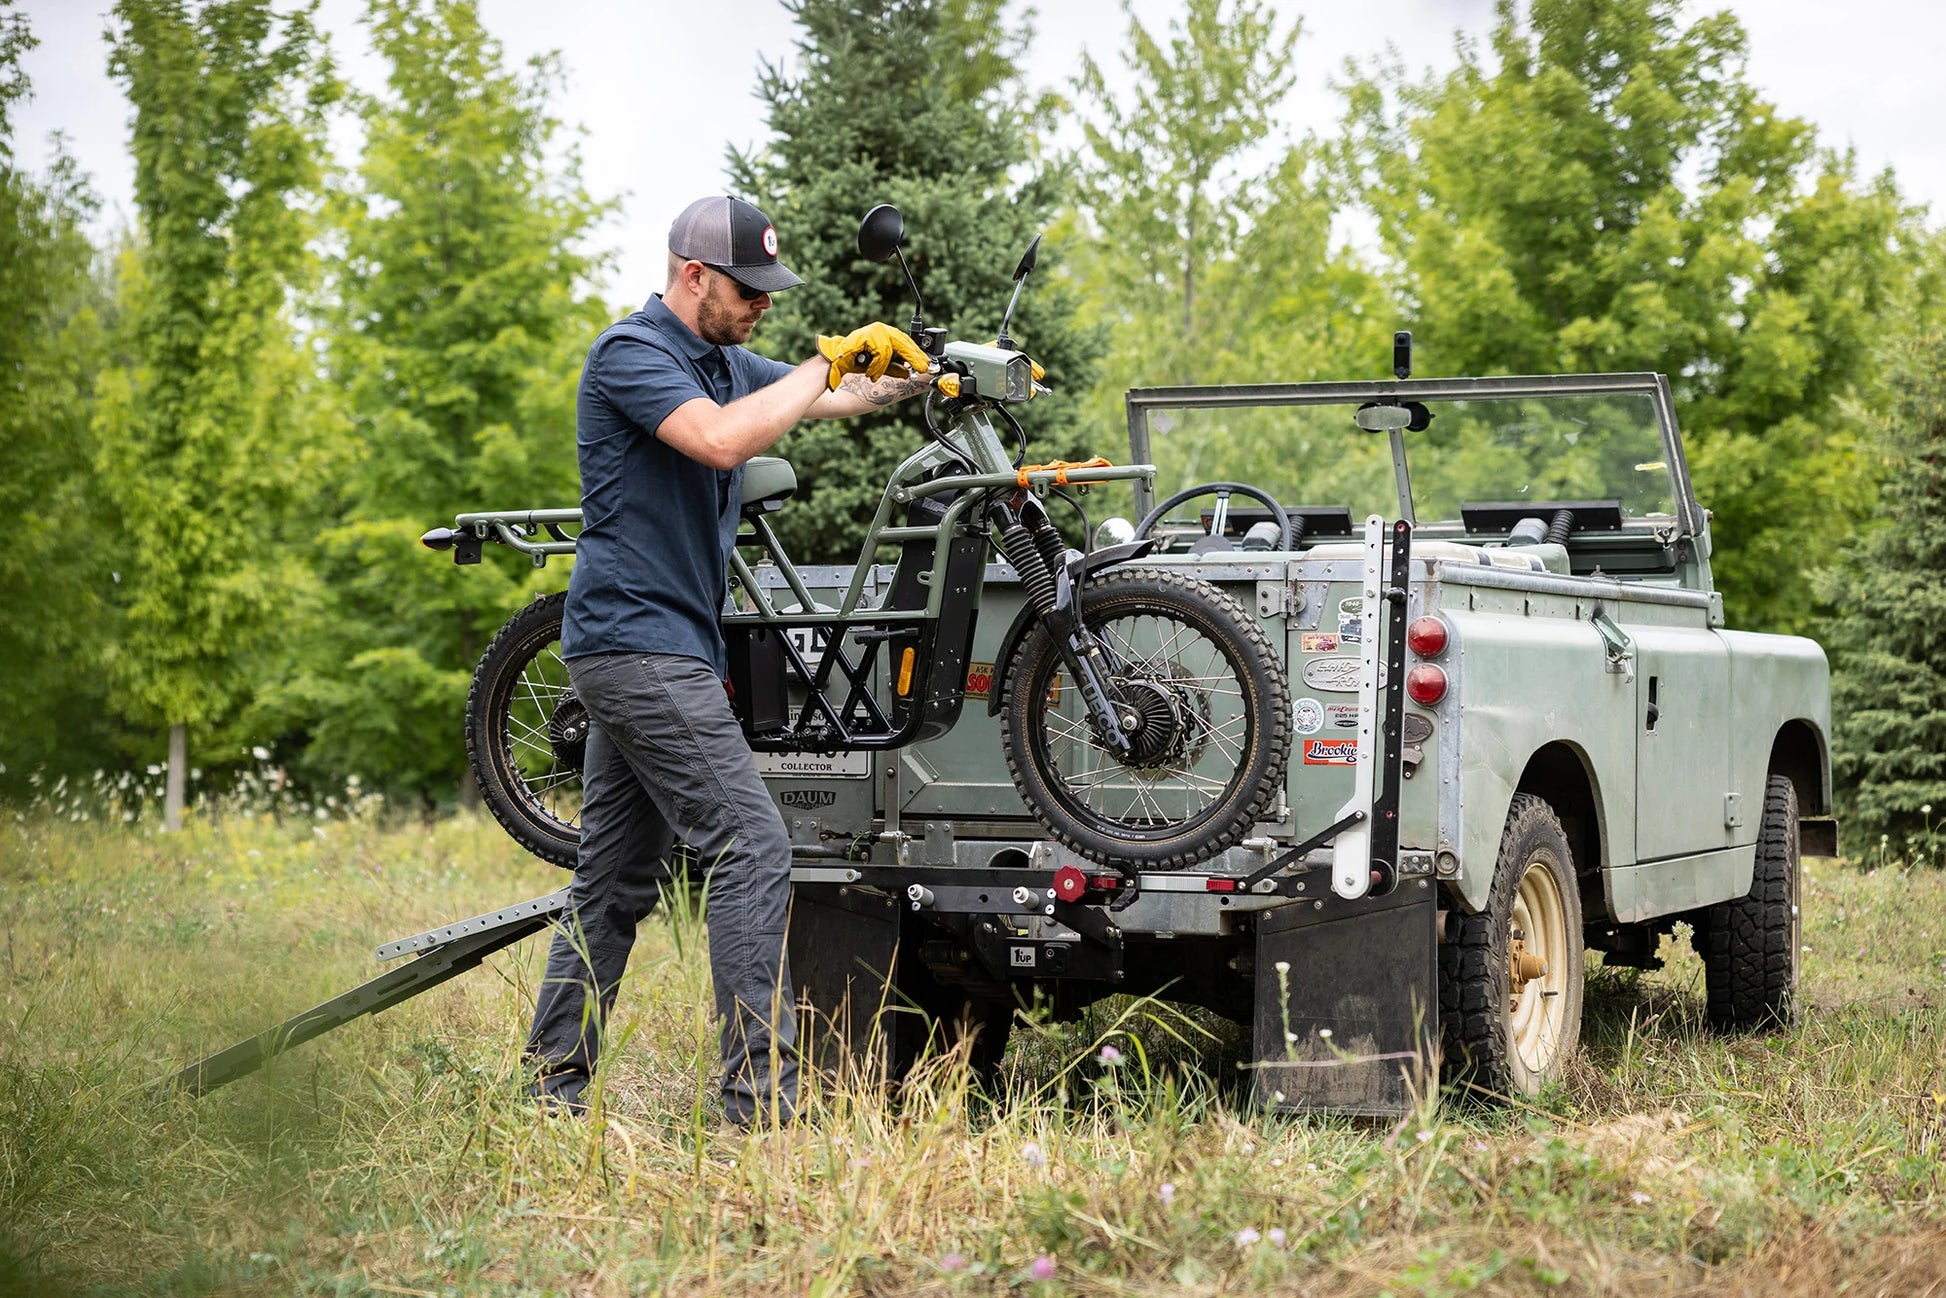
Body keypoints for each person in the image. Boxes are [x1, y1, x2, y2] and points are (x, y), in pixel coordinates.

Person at [524, 195, 933, 1125]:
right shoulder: (632, 354)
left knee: (613, 885)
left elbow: (829, 396)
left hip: (661, 649)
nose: (762, 307)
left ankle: (549, 1091)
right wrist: (823, 360)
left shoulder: (720, 357)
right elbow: (720, 440)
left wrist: (914, 375)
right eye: (748, 290)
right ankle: (757, 1105)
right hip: (635, 643)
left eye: (770, 295)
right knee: (753, 848)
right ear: (692, 275)